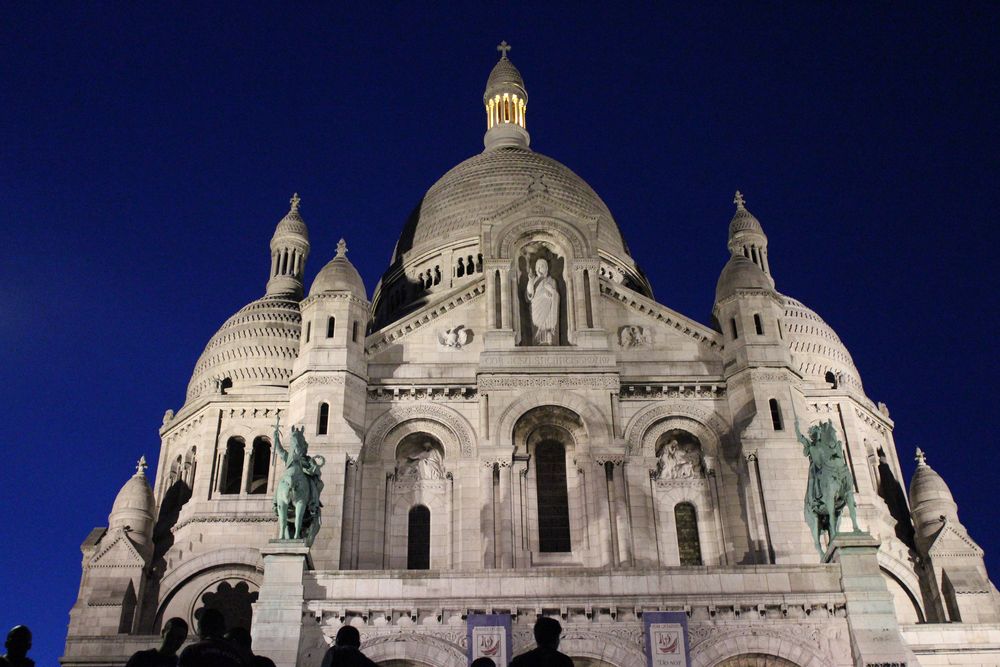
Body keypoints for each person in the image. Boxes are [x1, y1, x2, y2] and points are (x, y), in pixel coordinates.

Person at [177, 608, 246, 667]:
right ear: (223, 629)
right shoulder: (237, 656)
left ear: (201, 629)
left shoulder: (192, 651)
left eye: (198, 627)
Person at [525, 257, 559, 345]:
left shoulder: (551, 280)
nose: (539, 268)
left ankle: (548, 339)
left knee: (547, 324)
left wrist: (551, 292)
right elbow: (529, 294)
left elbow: (555, 295)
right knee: (537, 323)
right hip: (537, 305)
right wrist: (530, 281)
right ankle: (538, 340)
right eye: (538, 267)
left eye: (542, 266)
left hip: (547, 306)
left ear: (547, 268)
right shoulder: (534, 280)